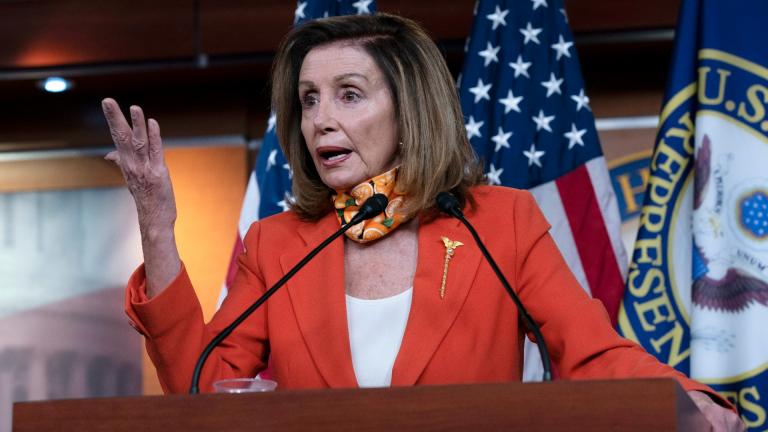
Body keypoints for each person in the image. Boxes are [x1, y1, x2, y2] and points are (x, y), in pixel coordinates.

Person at [102, 13, 743, 431]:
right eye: (308, 99)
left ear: (410, 111)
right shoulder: (277, 244)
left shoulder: (502, 224)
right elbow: (205, 392)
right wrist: (157, 226)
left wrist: (695, 402)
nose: (321, 118)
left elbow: (595, 354)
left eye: (349, 94)